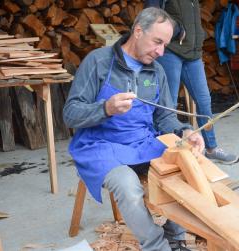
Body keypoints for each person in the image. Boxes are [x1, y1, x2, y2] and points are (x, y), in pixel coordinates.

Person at [63, 7, 204, 251]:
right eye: (157, 42)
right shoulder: (98, 61)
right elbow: (70, 114)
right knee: (128, 187)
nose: (161, 52)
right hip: (99, 146)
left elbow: (165, 118)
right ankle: (157, 247)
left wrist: (185, 132)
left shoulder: (156, 70)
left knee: (188, 167)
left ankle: (175, 238)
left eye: (165, 45)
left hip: (142, 143)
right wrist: (105, 108)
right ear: (138, 31)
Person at [145, 0, 239, 164]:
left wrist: (199, 35)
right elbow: (151, 15)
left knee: (204, 101)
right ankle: (170, 152)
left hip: (193, 54)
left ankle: (211, 148)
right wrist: (177, 31)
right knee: (169, 105)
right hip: (170, 52)